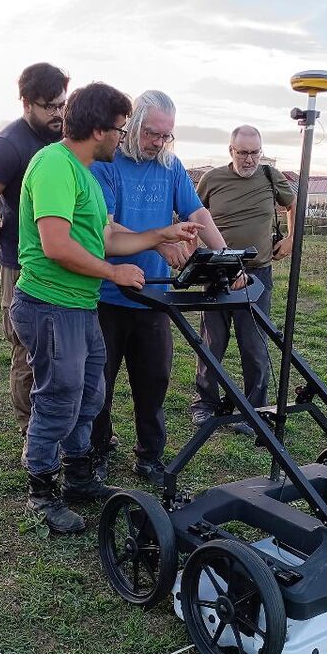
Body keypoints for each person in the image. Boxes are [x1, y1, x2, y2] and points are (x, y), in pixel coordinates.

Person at [11, 82, 202, 534]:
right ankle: (41, 492)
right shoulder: (55, 166)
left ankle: (79, 478)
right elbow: (56, 244)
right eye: (119, 129)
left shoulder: (83, 170)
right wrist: (113, 273)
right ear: (98, 130)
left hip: (79, 305)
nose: (123, 137)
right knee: (58, 399)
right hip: (50, 304)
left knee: (90, 396)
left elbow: (107, 236)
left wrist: (160, 236)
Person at [89, 90, 226, 486]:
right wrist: (157, 239)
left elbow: (197, 211)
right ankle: (97, 449)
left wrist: (227, 255)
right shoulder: (108, 164)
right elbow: (107, 229)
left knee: (153, 382)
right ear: (131, 126)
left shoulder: (170, 166)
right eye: (152, 133)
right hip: (109, 294)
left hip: (154, 295)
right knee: (99, 382)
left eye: (166, 136)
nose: (158, 143)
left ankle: (150, 454)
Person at [0, 63, 70, 436]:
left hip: (63, 260)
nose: (58, 114)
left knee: (62, 345)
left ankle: (60, 421)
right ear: (26, 103)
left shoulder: (60, 139)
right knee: (27, 348)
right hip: (21, 266)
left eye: (62, 104)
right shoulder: (8, 146)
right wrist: (8, 240)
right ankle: (30, 428)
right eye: (49, 106)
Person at [190, 125, 295, 433]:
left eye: (255, 152)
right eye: (243, 152)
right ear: (230, 151)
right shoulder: (212, 179)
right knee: (212, 342)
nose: (249, 159)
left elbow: (293, 205)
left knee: (255, 345)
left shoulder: (270, 176)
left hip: (256, 274)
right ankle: (204, 405)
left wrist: (290, 238)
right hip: (218, 272)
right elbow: (193, 213)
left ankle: (256, 409)